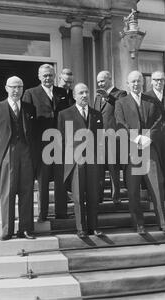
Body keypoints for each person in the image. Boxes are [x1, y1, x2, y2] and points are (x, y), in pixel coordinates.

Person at [115, 71, 165, 234]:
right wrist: (136, 138)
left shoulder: (151, 100)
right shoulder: (121, 102)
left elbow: (160, 121)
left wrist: (149, 137)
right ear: (127, 84)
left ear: (143, 83)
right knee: (133, 190)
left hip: (149, 149)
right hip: (132, 149)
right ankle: (139, 224)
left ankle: (163, 223)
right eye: (132, 82)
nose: (136, 84)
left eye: (138, 81)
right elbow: (120, 123)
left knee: (157, 186)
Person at [0, 76, 37, 241]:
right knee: (7, 192)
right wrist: (2, 150)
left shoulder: (30, 108)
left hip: (26, 153)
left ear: (23, 89)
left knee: (26, 191)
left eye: (19, 87)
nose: (16, 90)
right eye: (13, 87)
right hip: (8, 153)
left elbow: (33, 133)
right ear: (6, 88)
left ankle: (25, 229)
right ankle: (7, 230)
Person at [22, 64, 70, 221]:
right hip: (41, 144)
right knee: (42, 180)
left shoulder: (62, 92)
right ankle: (43, 214)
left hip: (61, 143)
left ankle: (61, 212)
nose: (48, 78)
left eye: (50, 75)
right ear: (39, 76)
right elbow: (26, 121)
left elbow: (70, 114)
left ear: (55, 76)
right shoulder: (30, 93)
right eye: (45, 76)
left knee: (61, 178)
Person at [58, 83, 104, 238]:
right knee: (78, 196)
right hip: (75, 161)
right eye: (81, 93)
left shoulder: (96, 114)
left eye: (86, 92)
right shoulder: (65, 114)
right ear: (74, 96)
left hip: (93, 160)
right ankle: (81, 228)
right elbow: (61, 140)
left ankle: (94, 227)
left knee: (93, 194)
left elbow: (100, 138)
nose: (84, 95)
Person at [93, 70, 127, 204]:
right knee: (99, 168)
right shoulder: (97, 96)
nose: (100, 83)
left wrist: (108, 97)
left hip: (113, 136)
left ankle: (116, 196)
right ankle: (99, 196)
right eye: (98, 82)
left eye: (102, 81)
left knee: (113, 167)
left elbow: (121, 107)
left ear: (110, 79)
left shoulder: (120, 93)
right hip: (99, 137)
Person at [145, 71, 165, 201]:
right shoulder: (146, 96)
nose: (159, 82)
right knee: (152, 164)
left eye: (161, 80)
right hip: (152, 134)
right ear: (151, 81)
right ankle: (151, 193)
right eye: (156, 80)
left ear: (164, 81)